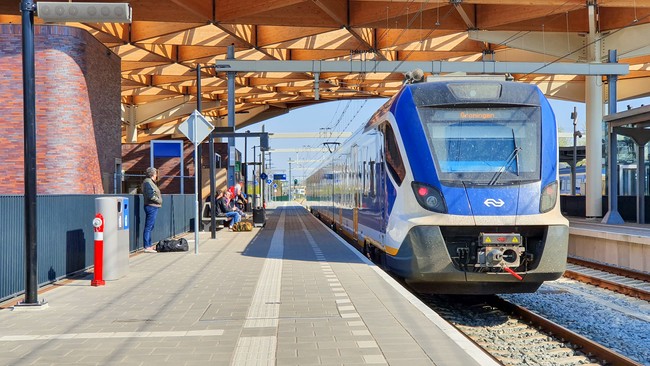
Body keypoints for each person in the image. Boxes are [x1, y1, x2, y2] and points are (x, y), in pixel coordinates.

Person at [141, 167, 162, 253]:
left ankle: (149, 245)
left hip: (153, 206)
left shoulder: (150, 182)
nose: (156, 175)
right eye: (156, 173)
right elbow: (150, 195)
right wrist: (158, 200)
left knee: (150, 226)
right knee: (148, 227)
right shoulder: (148, 183)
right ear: (153, 174)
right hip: (151, 206)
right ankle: (147, 246)